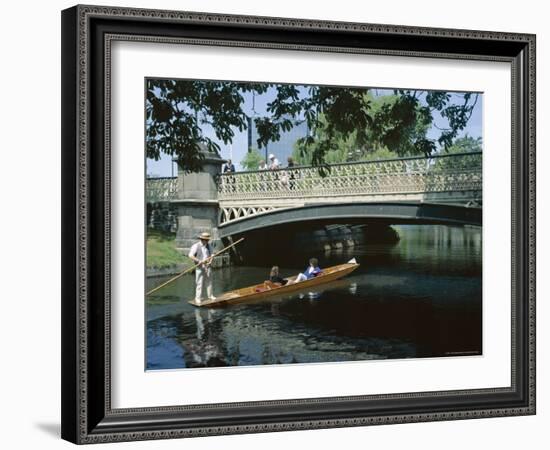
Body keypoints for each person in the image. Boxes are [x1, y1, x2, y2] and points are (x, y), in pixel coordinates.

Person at [188, 232, 216, 304]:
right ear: (201, 239)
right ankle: (198, 298)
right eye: (205, 240)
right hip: (199, 266)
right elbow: (190, 255)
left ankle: (210, 296)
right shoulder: (196, 246)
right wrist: (199, 261)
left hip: (207, 266)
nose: (207, 241)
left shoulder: (209, 246)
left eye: (207, 240)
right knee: (199, 283)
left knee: (209, 282)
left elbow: (212, 254)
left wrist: (210, 260)